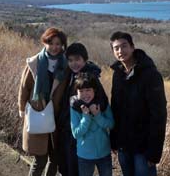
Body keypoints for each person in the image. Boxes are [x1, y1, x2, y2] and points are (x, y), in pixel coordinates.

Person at [109, 31, 167, 176]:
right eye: (116, 48)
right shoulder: (117, 74)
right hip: (123, 144)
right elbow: (115, 108)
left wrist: (154, 152)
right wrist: (114, 140)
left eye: (124, 46)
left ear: (133, 47)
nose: (120, 51)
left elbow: (159, 115)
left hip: (144, 147)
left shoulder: (151, 75)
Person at [18, 27, 69, 176]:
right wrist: (22, 109)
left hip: (57, 117)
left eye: (58, 44)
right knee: (40, 159)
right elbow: (24, 87)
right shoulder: (34, 62)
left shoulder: (65, 65)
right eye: (51, 43)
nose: (55, 47)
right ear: (45, 43)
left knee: (55, 158)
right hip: (37, 114)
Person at [57, 42, 109, 176]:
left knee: (75, 167)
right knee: (67, 165)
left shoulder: (89, 77)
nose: (74, 63)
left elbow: (102, 101)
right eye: (70, 60)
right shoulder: (70, 74)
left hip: (83, 131)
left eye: (78, 59)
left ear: (85, 59)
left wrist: (78, 103)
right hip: (69, 127)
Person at [70, 72, 114, 176]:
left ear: (94, 90)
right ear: (76, 92)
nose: (85, 94)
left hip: (104, 153)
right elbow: (76, 133)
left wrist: (98, 115)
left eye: (88, 90)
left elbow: (111, 124)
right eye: (81, 91)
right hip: (85, 155)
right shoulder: (75, 108)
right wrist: (86, 117)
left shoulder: (102, 104)